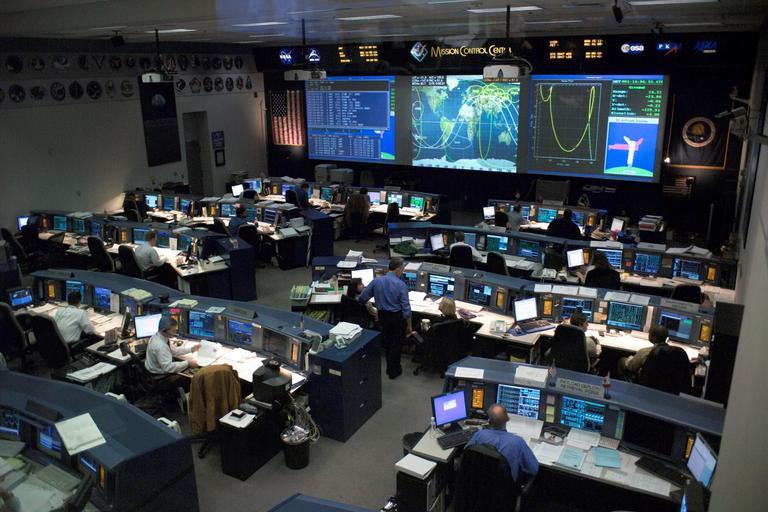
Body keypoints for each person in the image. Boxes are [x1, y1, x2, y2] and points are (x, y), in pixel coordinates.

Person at [359, 258, 412, 379]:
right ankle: (394, 371)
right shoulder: (401, 285)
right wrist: (409, 326)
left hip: (382, 317)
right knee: (396, 345)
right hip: (396, 318)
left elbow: (363, 298)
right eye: (402, 269)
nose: (402, 272)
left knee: (388, 342)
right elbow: (406, 310)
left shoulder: (376, 281)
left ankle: (390, 368)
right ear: (398, 268)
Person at [465, 404, 539, 482]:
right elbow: (533, 469)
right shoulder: (518, 442)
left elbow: (466, 455)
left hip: (478, 483)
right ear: (508, 418)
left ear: (489, 421)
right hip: (504, 488)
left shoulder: (479, 435)